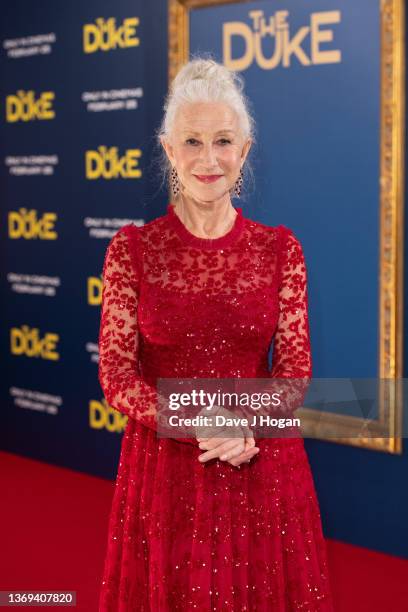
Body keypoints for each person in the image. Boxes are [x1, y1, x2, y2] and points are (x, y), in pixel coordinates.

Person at [98, 56, 334, 611]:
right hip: (166, 471)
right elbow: (115, 375)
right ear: (168, 150)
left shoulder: (282, 249)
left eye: (224, 141)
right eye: (193, 142)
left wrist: (242, 425)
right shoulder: (132, 251)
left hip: (263, 466)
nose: (209, 159)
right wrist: (197, 420)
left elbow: (294, 373)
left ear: (245, 151)